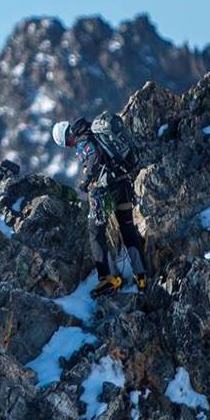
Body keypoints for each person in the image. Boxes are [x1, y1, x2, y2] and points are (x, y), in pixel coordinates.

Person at [52, 116, 149, 297]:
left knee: (95, 232)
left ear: (67, 137)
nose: (70, 146)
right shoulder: (95, 133)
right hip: (123, 185)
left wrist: (86, 181)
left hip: (107, 191)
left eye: (67, 143)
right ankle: (141, 275)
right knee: (128, 230)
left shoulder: (83, 140)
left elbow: (93, 157)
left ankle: (107, 278)